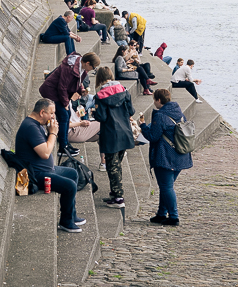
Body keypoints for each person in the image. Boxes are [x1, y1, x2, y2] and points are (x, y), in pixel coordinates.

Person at [14, 99, 87, 233]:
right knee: (69, 186)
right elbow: (45, 153)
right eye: (52, 113)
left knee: (73, 173)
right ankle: (65, 222)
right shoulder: (30, 127)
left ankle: (71, 214)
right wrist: (53, 133)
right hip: (36, 174)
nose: (54, 116)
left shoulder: (37, 124)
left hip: (45, 169)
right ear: (42, 112)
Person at [139, 88, 193, 225]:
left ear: (158, 100)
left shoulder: (160, 116)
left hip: (165, 156)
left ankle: (174, 216)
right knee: (166, 186)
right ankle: (162, 213)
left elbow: (153, 136)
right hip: (180, 155)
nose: (154, 103)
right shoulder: (179, 113)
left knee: (166, 187)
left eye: (154, 100)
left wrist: (143, 126)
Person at [39, 51, 101, 158]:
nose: (93, 69)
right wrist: (65, 102)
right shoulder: (69, 68)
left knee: (66, 115)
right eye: (93, 67)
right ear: (87, 63)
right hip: (52, 91)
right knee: (64, 115)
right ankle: (63, 147)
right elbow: (62, 87)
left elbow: (78, 82)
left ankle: (66, 144)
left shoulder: (81, 68)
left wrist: (81, 90)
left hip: (59, 92)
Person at [91, 67, 135, 209]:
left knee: (112, 166)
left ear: (100, 78)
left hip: (111, 134)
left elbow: (101, 117)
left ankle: (118, 197)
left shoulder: (100, 96)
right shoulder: (124, 90)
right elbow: (131, 111)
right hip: (125, 132)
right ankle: (115, 192)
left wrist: (94, 111)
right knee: (117, 165)